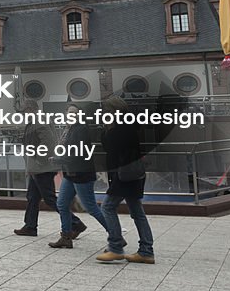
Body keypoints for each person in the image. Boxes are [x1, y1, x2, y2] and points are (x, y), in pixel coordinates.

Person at [14, 100, 86, 238]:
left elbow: (48, 143)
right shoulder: (37, 120)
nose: (22, 115)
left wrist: (39, 161)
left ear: (30, 109)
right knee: (33, 197)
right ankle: (30, 226)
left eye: (23, 112)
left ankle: (75, 223)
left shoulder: (38, 121)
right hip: (38, 168)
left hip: (42, 168)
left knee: (50, 198)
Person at [97, 96, 155, 264]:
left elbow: (110, 148)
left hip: (124, 175)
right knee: (137, 212)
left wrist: (107, 129)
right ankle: (146, 250)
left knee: (107, 207)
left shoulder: (120, 127)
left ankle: (115, 247)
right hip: (133, 174)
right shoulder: (130, 125)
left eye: (106, 111)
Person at [49, 104, 108, 249]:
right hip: (70, 174)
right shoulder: (69, 130)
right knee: (62, 204)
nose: (72, 115)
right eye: (69, 112)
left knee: (91, 208)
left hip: (81, 175)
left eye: (75, 113)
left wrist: (58, 160)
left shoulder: (81, 130)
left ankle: (115, 234)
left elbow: (77, 154)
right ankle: (66, 237)